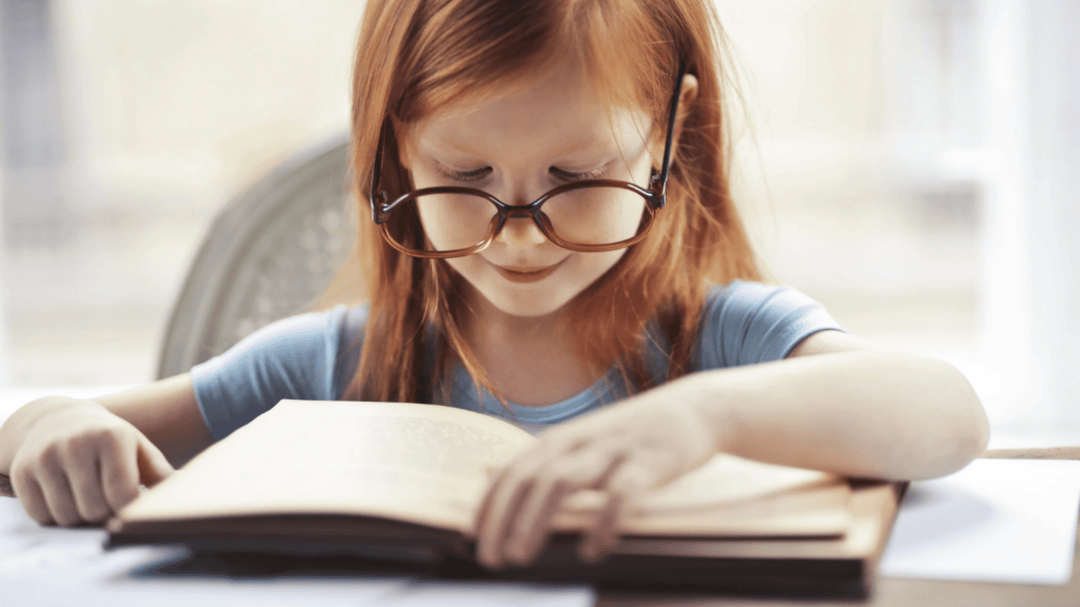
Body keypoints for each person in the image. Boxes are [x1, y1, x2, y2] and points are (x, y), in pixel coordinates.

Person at [0, 0, 989, 572]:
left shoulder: (721, 337)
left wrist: (703, 420)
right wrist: (46, 428)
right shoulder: (337, 362)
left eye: (576, 178)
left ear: (669, 135)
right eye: (466, 180)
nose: (520, 236)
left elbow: (948, 413)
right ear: (395, 148)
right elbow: (43, 429)